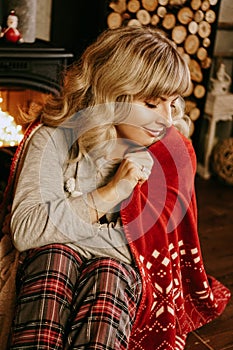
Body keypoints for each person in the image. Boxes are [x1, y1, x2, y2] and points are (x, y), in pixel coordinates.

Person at [7, 26, 230, 349]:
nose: (167, 119)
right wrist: (110, 193)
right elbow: (26, 231)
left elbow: (145, 249)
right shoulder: (52, 138)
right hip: (49, 264)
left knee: (108, 272)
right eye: (152, 104)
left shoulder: (170, 152)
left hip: (118, 278)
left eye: (173, 102)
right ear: (111, 95)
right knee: (55, 258)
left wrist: (64, 224)